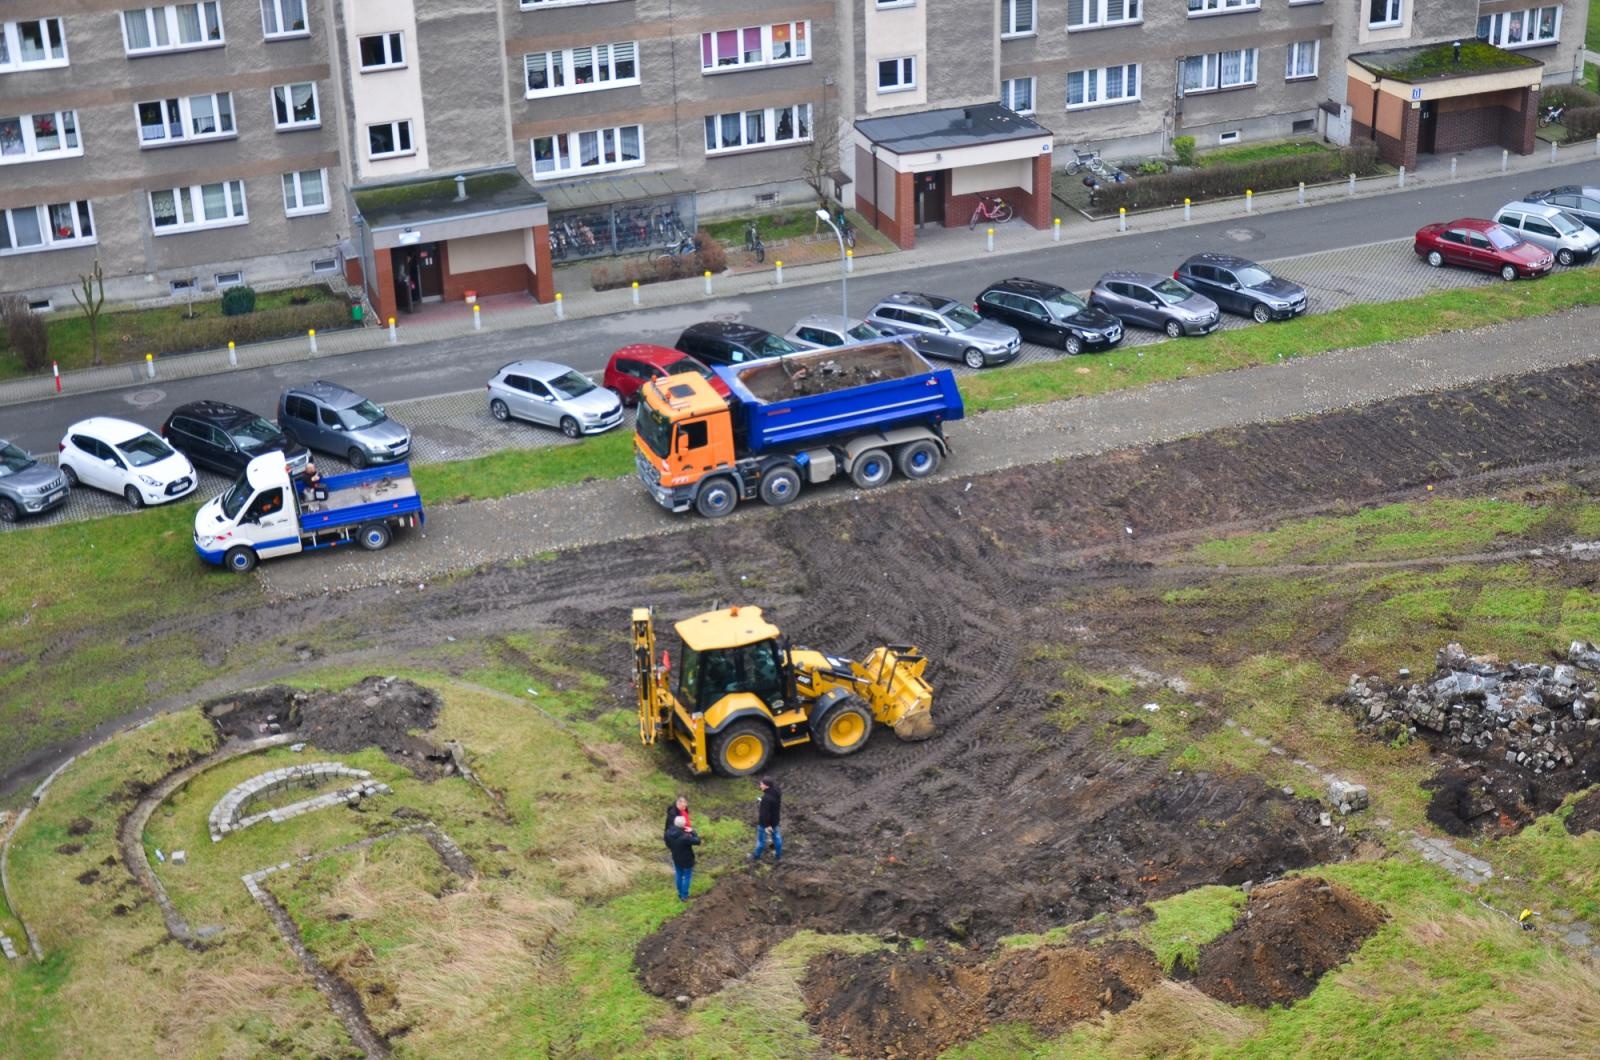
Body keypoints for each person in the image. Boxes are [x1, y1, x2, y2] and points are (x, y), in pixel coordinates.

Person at [664, 815, 701, 901]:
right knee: (687, 876)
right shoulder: (685, 837)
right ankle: (684, 896)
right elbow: (698, 841)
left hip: (675, 856)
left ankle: (680, 893)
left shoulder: (668, 833)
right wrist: (693, 832)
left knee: (678, 874)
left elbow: (667, 842)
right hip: (687, 858)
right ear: (684, 824)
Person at [751, 776, 782, 862]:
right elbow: (772, 805)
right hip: (775, 820)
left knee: (761, 841)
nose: (760, 785)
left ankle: (756, 856)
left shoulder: (766, 799)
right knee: (776, 838)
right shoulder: (776, 791)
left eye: (761, 784)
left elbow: (765, 814)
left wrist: (767, 825)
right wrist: (762, 800)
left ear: (766, 786)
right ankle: (778, 856)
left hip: (764, 824)